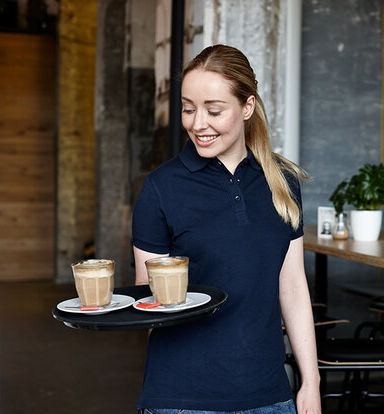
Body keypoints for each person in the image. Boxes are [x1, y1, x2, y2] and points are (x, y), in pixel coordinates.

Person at [132, 44, 321, 414]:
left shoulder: (282, 182)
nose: (197, 123)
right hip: (181, 397)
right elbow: (147, 298)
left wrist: (310, 384)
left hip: (269, 394)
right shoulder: (160, 188)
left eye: (213, 110)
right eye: (188, 109)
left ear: (247, 107)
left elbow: (293, 287)